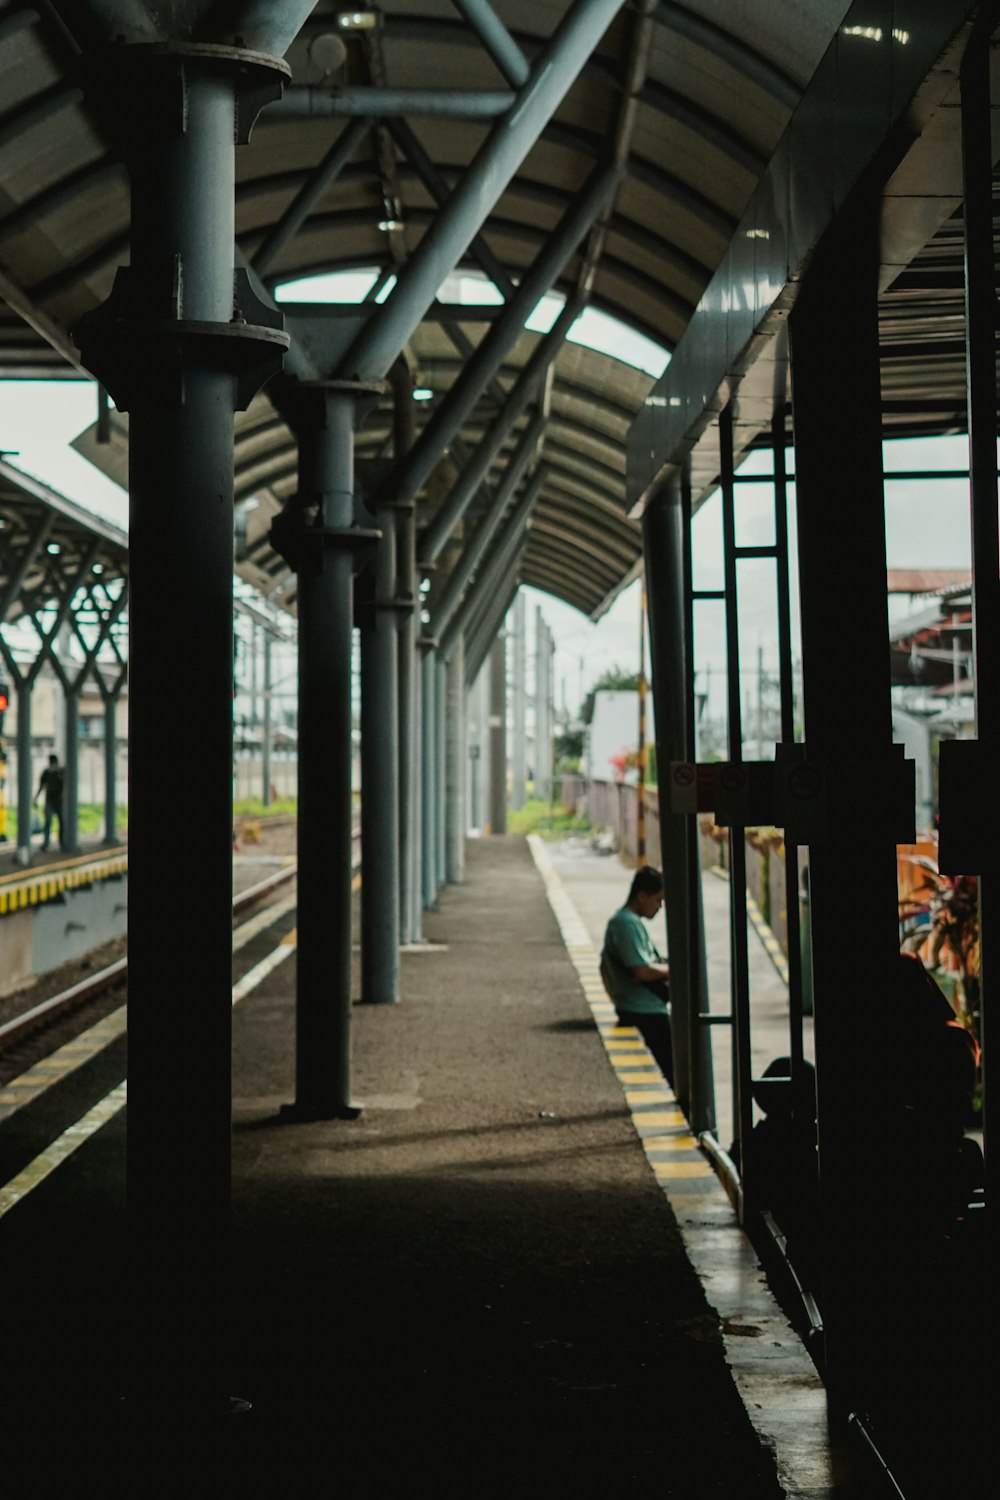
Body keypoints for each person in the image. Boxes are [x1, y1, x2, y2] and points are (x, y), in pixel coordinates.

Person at [600, 864, 673, 1083]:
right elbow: (642, 971)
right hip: (643, 1010)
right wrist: (676, 970)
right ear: (641, 896)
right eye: (657, 900)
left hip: (644, 1007)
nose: (659, 907)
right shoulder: (625, 924)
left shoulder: (629, 923)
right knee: (672, 1073)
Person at [35, 752, 64, 851]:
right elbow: (42, 785)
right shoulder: (47, 773)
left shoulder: (61, 772)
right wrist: (36, 798)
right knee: (48, 822)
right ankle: (47, 843)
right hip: (50, 801)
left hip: (59, 801)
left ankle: (62, 842)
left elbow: (66, 785)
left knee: (61, 822)